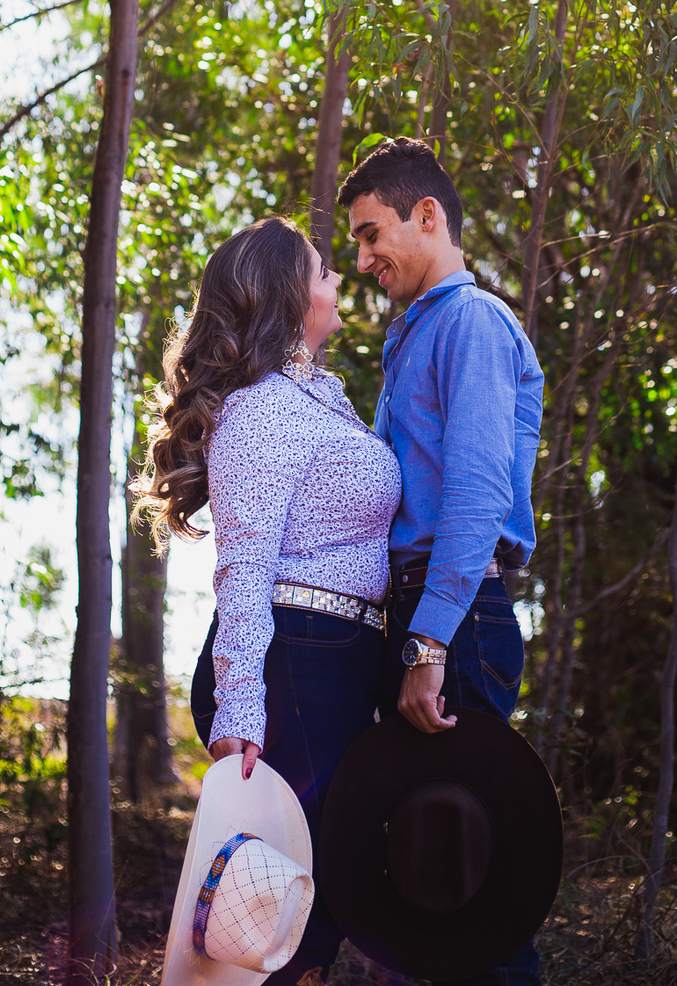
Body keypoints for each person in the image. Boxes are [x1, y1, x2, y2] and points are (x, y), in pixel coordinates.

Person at [146, 216, 401, 986]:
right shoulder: (261, 411)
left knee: (311, 911)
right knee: (284, 916)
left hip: (340, 662)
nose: (336, 281)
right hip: (294, 666)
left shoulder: (319, 397)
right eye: (323, 272)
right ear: (290, 296)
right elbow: (245, 569)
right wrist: (241, 711)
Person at [338, 136, 546, 986]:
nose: (361, 258)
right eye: (354, 241)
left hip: (451, 622)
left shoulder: (471, 323)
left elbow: (472, 497)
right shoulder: (415, 334)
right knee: (417, 894)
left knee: (472, 898)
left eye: (371, 232)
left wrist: (427, 644)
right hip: (421, 615)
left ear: (428, 216)